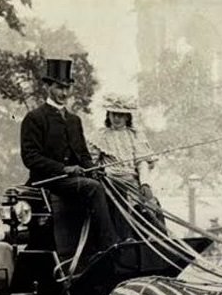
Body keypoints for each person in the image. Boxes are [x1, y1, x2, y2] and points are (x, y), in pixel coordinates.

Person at [20, 58, 118, 259]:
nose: (64, 93)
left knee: (110, 183)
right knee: (93, 188)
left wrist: (93, 168)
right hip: (48, 181)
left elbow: (82, 154)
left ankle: (120, 241)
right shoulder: (35, 118)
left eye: (67, 88)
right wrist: (63, 169)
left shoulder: (75, 120)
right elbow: (30, 158)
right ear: (48, 87)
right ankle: (109, 246)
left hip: (73, 181)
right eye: (58, 87)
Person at [88, 94, 163, 229]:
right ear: (108, 115)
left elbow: (142, 162)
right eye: (113, 114)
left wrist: (145, 183)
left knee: (152, 205)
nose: (116, 118)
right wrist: (97, 171)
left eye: (121, 115)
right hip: (110, 181)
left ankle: (157, 240)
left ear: (127, 117)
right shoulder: (100, 135)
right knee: (119, 207)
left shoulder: (135, 135)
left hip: (132, 181)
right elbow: (91, 161)